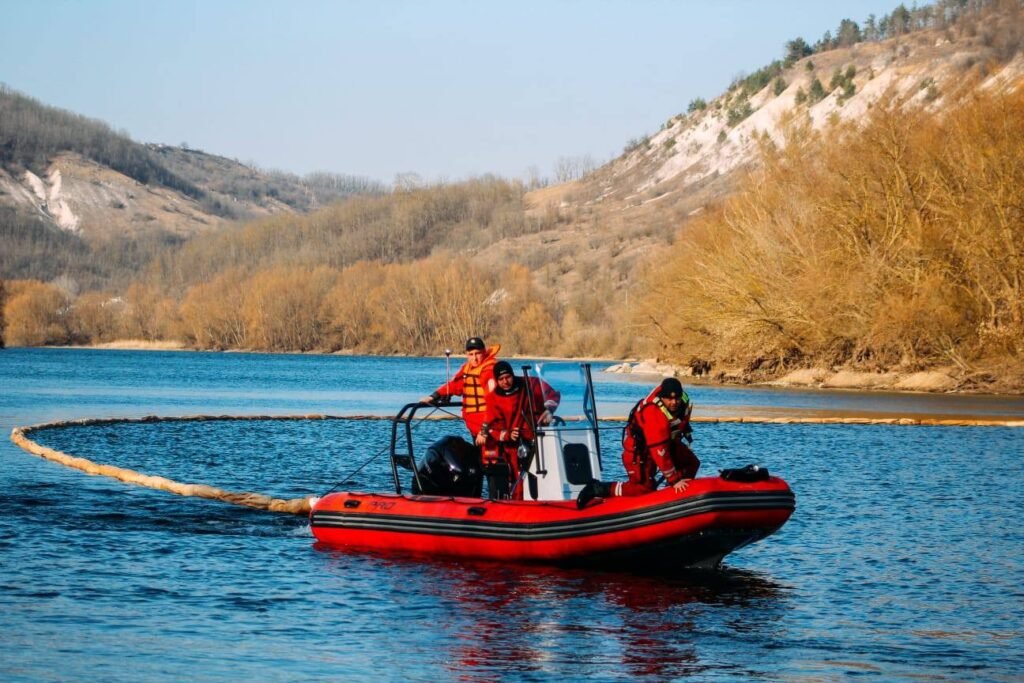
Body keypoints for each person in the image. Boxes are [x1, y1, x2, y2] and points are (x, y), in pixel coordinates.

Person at [576, 377, 699, 509]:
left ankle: (675, 497)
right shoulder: (653, 413)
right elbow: (659, 451)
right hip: (639, 451)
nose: (674, 402)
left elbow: (679, 424)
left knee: (691, 463)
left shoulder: (682, 400)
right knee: (642, 489)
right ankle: (599, 488)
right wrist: (674, 480)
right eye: (669, 399)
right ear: (662, 397)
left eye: (677, 398)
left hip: (667, 442)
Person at [475, 360, 560, 500]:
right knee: (519, 483)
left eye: (508, 377)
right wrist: (507, 435)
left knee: (545, 475)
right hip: (513, 448)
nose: (505, 381)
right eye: (501, 379)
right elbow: (492, 426)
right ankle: (518, 505)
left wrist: (549, 410)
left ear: (513, 375)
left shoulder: (530, 383)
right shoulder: (493, 398)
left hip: (538, 440)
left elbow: (553, 395)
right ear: (496, 380)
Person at [421, 336, 501, 438]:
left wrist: (484, 429)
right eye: (471, 354)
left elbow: (494, 402)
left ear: (484, 352)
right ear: (467, 355)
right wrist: (434, 396)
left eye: (477, 353)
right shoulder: (467, 370)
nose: (474, 358)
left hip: (488, 427)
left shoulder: (489, 371)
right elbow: (455, 385)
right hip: (474, 425)